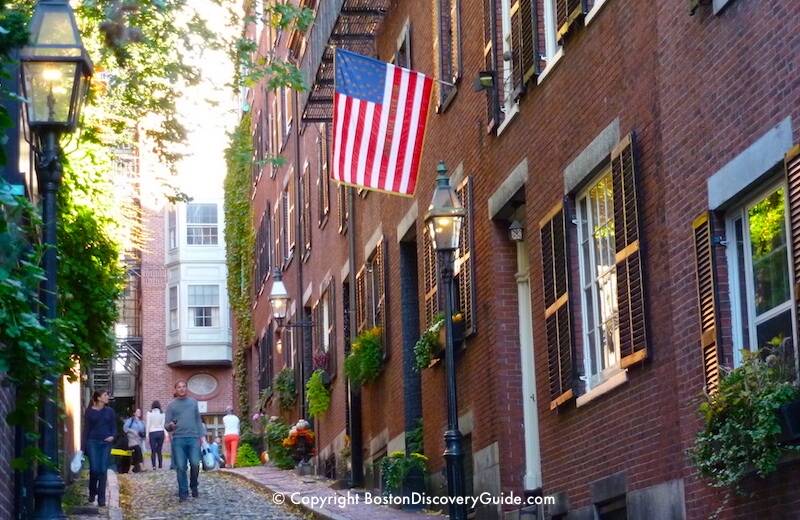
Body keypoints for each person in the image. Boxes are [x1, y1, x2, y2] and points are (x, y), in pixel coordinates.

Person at [165, 380, 205, 502]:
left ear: (186, 388)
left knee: (195, 463)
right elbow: (166, 425)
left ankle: (194, 485)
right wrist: (171, 425)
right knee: (181, 466)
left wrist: (202, 436)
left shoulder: (193, 403)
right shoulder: (171, 405)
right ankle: (183, 492)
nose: (182, 389)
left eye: (184, 387)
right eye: (179, 387)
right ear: (175, 390)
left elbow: (198, 420)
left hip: (193, 438)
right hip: (178, 439)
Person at [83, 390, 116, 507]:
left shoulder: (110, 411)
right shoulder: (89, 412)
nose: (107, 397)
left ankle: (101, 499)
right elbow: (86, 430)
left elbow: (113, 427)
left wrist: (112, 436)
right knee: (94, 469)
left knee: (103, 470)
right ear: (98, 398)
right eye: (105, 395)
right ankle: (92, 492)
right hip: (92, 442)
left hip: (105, 443)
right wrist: (83, 448)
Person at [123, 408, 146, 473]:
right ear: (134, 413)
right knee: (138, 450)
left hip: (139, 440)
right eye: (138, 411)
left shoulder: (141, 422)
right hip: (132, 439)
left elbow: (142, 432)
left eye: (140, 411)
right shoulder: (130, 420)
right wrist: (132, 431)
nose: (139, 413)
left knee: (136, 455)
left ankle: (130, 470)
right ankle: (142, 466)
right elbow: (125, 428)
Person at [146, 401, 166, 469]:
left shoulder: (149, 413)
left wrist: (147, 435)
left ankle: (154, 465)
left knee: (153, 450)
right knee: (159, 450)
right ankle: (160, 465)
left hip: (152, 432)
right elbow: (163, 425)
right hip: (161, 432)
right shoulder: (162, 413)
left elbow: (148, 424)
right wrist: (166, 434)